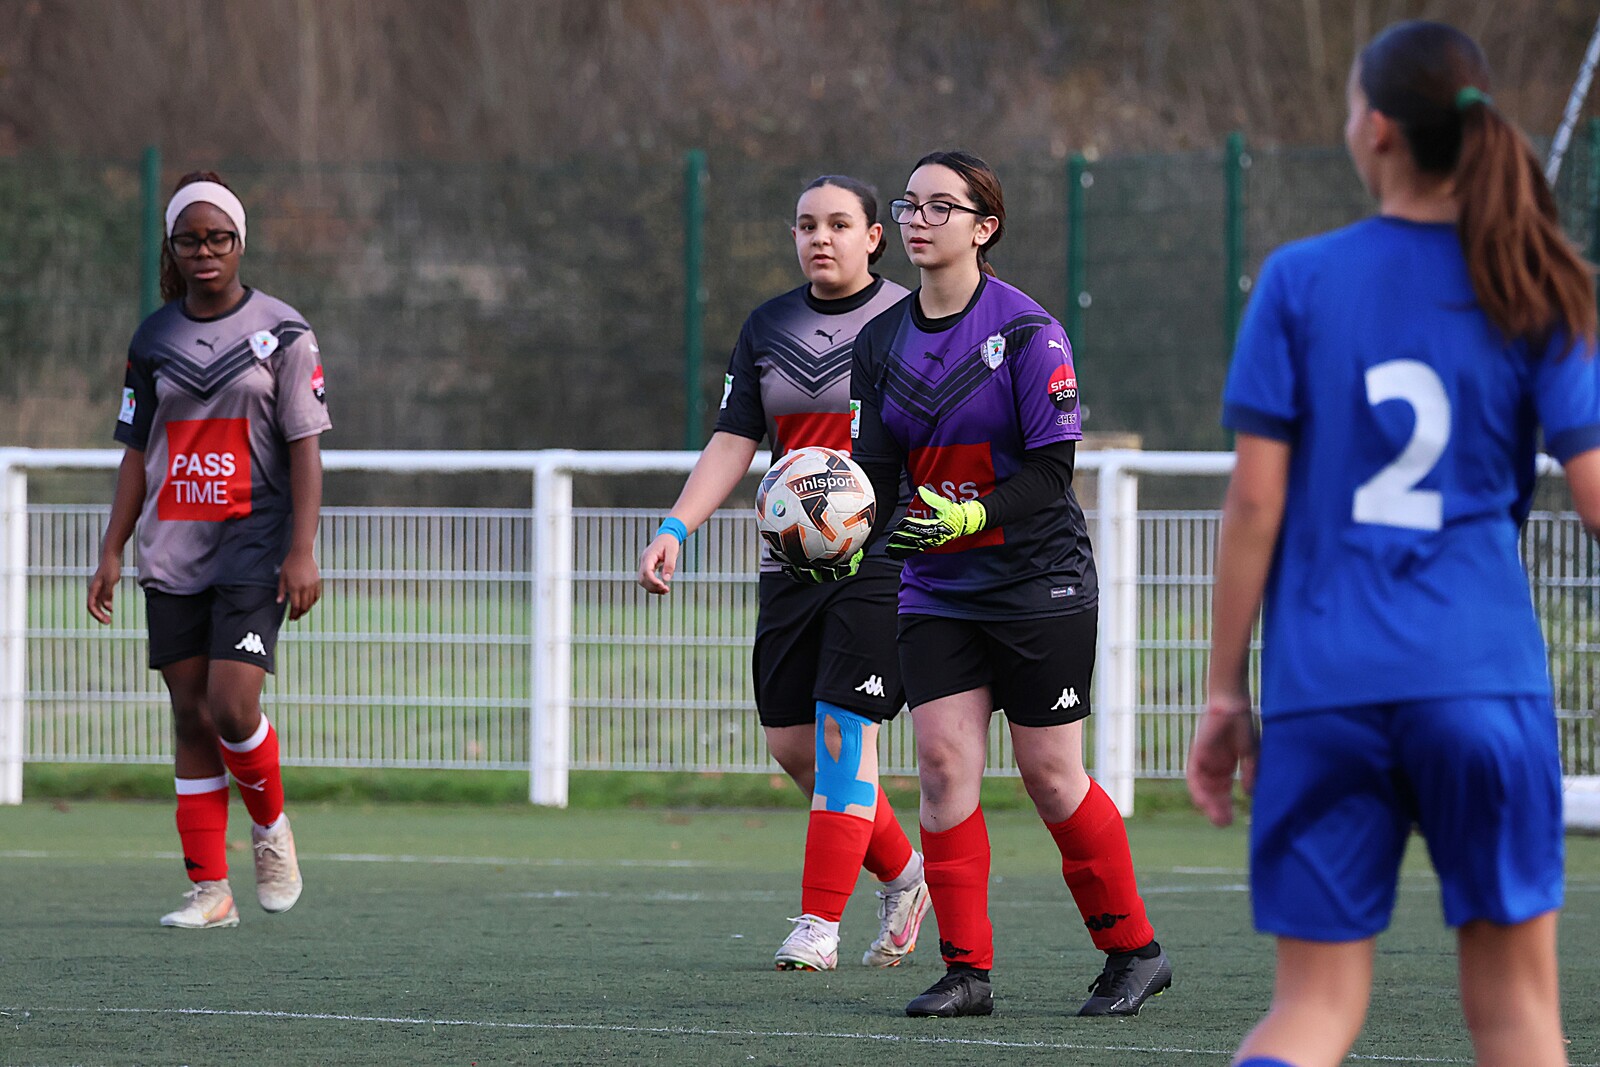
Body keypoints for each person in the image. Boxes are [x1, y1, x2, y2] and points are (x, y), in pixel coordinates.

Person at [1188, 21, 1600, 1067]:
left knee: (1312, 1009)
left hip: (1327, 687)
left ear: (1375, 128)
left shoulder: (1299, 280)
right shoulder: (1537, 282)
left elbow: (1253, 504)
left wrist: (1225, 693)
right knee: (1516, 1016)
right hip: (1481, 681)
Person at [846, 150, 1172, 1018]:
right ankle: (966, 971)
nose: (917, 220)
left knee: (1051, 774)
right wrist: (837, 523)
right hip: (937, 588)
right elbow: (877, 472)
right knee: (942, 767)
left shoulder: (1031, 333)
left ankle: (1134, 952)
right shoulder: (878, 341)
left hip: (1039, 583)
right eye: (909, 204)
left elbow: (1052, 473)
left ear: (984, 227)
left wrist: (970, 515)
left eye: (940, 207)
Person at [637, 175, 932, 971]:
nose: (820, 238)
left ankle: (818, 923)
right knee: (794, 743)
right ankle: (905, 875)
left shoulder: (910, 319)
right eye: (806, 225)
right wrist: (675, 526)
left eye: (838, 223)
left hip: (885, 557)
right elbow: (735, 436)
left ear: (874, 237)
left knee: (843, 731)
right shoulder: (767, 324)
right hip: (790, 563)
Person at [88, 171, 331, 929]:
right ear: (172, 248)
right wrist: (112, 548)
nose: (205, 251)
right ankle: (210, 890)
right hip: (173, 547)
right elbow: (137, 453)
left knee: (231, 704)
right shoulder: (152, 338)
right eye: (189, 240)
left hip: (254, 543)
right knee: (190, 716)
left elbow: (306, 447)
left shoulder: (283, 332)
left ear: (239, 242)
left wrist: (302, 549)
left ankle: (271, 829)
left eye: (218, 238)